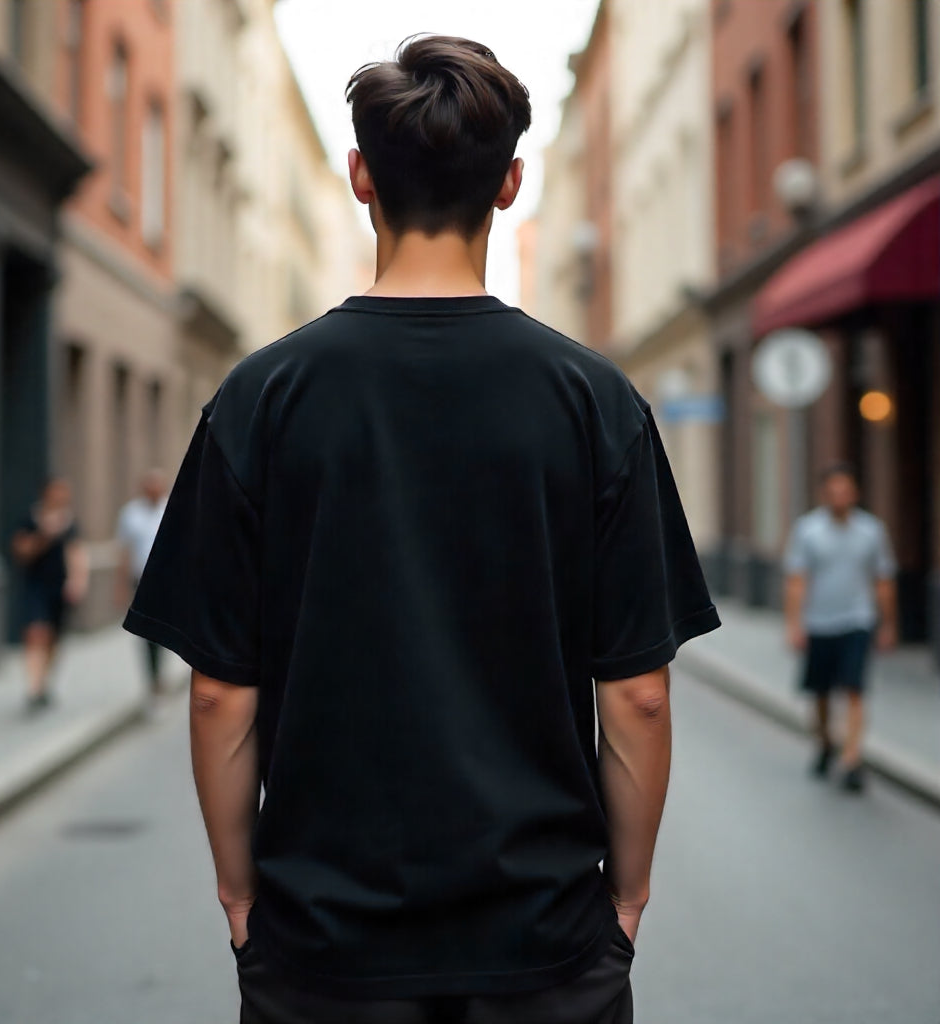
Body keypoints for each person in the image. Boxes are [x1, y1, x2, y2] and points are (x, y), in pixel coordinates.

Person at [125, 35, 719, 1024]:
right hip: (542, 944)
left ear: (361, 177)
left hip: (322, 948)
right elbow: (639, 697)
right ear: (510, 184)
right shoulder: (594, 401)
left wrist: (240, 890)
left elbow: (222, 693)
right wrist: (624, 894)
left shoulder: (261, 397)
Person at [784, 463, 898, 793]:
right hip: (818, 623)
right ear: (824, 495)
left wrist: (888, 624)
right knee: (820, 693)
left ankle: (851, 760)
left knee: (854, 689)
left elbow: (883, 580)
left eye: (845, 490)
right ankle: (824, 742)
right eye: (833, 491)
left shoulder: (872, 531)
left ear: (855, 493)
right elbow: (796, 580)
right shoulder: (807, 530)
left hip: (857, 621)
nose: (840, 497)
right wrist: (794, 624)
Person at [12, 477, 88, 712]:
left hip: (60, 589)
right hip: (36, 586)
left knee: (55, 638)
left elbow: (76, 553)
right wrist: (45, 534)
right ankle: (34, 688)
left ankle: (45, 682)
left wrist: (77, 582)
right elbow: (21, 552)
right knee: (36, 632)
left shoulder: (70, 522)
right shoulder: (30, 519)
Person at [116, 469, 169, 700]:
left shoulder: (172, 508)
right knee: (147, 632)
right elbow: (124, 552)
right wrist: (120, 586)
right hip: (141, 580)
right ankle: (153, 680)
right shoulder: (131, 514)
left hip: (166, 581)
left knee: (162, 631)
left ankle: (158, 678)